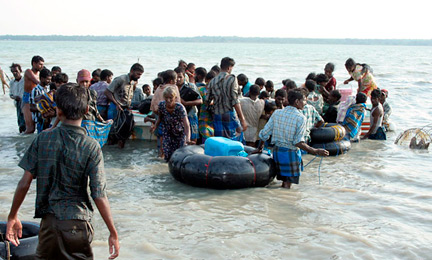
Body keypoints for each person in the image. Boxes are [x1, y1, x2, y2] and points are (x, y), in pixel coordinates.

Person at [5, 83, 119, 259]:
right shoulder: (91, 147)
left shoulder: (42, 139)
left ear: (58, 111)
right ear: (87, 110)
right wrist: (113, 232)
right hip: (78, 223)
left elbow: (25, 182)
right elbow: (99, 194)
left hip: (49, 223)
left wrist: (13, 216)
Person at [256, 89, 329, 189]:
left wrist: (260, 148)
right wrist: (315, 151)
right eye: (304, 100)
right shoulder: (300, 118)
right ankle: (284, 203)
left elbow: (264, 133)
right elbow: (298, 142)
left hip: (277, 152)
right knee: (287, 185)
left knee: (283, 181)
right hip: (290, 153)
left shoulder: (277, 113)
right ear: (297, 102)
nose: (305, 103)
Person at [207, 57, 247, 140]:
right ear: (229, 68)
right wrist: (242, 119)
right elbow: (235, 100)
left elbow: (207, 100)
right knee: (236, 138)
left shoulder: (212, 81)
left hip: (217, 114)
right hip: (229, 113)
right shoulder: (232, 79)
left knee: (220, 141)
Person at [105, 63, 144, 148]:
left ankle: (119, 151)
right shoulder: (121, 79)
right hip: (115, 108)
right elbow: (107, 92)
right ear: (132, 71)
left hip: (124, 109)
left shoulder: (132, 82)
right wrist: (116, 103)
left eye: (140, 75)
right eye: (138, 74)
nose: (139, 77)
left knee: (123, 132)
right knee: (113, 132)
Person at [151, 86, 191, 162]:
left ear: (175, 98)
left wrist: (187, 138)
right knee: (167, 154)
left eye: (170, 98)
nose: (168, 100)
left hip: (179, 133)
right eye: (166, 98)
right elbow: (160, 118)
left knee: (179, 155)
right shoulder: (162, 105)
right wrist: (155, 126)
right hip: (167, 133)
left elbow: (186, 124)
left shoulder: (180, 108)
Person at [78, 69, 113, 147]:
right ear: (77, 81)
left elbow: (95, 109)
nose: (84, 84)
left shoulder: (92, 92)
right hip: (79, 124)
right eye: (82, 81)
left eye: (86, 82)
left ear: (89, 82)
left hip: (90, 121)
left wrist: (103, 121)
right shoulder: (74, 94)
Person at [176, 67, 202, 144]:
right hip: (178, 117)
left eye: (180, 77)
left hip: (191, 114)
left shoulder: (191, 86)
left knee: (193, 137)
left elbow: (200, 101)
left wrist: (186, 103)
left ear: (184, 77)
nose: (178, 79)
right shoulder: (173, 88)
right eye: (176, 77)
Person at [23, 55, 44, 134]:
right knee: (30, 128)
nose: (42, 66)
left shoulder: (39, 73)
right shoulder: (28, 71)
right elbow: (37, 82)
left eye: (42, 64)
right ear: (33, 63)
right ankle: (21, 143)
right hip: (28, 98)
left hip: (37, 98)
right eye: (40, 64)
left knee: (39, 123)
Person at [30, 68, 51, 133]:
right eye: (48, 79)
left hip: (49, 119)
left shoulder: (48, 88)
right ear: (42, 78)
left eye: (50, 79)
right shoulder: (36, 90)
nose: (49, 81)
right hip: (40, 119)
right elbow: (32, 107)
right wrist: (44, 108)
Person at [198, 70, 216, 143]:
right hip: (203, 117)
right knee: (205, 136)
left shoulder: (216, 91)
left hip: (213, 118)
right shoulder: (201, 90)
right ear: (206, 80)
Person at [9, 63, 26, 133]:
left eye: (16, 71)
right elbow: (11, 94)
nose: (14, 73)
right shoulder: (12, 82)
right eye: (13, 71)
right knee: (20, 122)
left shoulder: (25, 80)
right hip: (18, 103)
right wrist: (14, 97)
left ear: (20, 70)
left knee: (27, 121)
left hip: (25, 102)